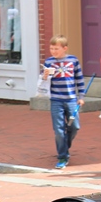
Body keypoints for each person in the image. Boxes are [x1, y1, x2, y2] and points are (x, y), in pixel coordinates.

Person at [43, 35, 85, 169]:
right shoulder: (49, 62)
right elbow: (43, 82)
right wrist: (44, 76)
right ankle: (62, 156)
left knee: (75, 126)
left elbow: (79, 79)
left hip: (71, 99)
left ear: (64, 48)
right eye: (51, 48)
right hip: (56, 100)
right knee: (59, 130)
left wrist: (81, 96)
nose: (53, 51)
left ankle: (65, 145)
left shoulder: (73, 60)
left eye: (56, 49)